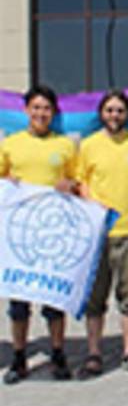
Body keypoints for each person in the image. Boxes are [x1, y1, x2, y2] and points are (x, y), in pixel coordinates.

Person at [0, 86, 77, 384]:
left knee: (54, 299)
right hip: (20, 234)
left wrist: (69, 184)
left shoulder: (66, 145)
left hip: (54, 231)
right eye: (36, 108)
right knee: (19, 303)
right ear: (26, 111)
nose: (41, 113)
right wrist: (8, 180)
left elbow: (77, 180)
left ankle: (58, 352)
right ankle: (19, 357)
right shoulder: (11, 144)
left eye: (46, 108)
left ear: (54, 113)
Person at [78, 89, 128, 377]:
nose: (115, 115)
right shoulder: (88, 146)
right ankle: (94, 353)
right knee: (96, 296)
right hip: (98, 232)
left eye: (120, 110)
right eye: (109, 110)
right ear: (101, 113)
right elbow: (81, 181)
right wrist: (91, 206)